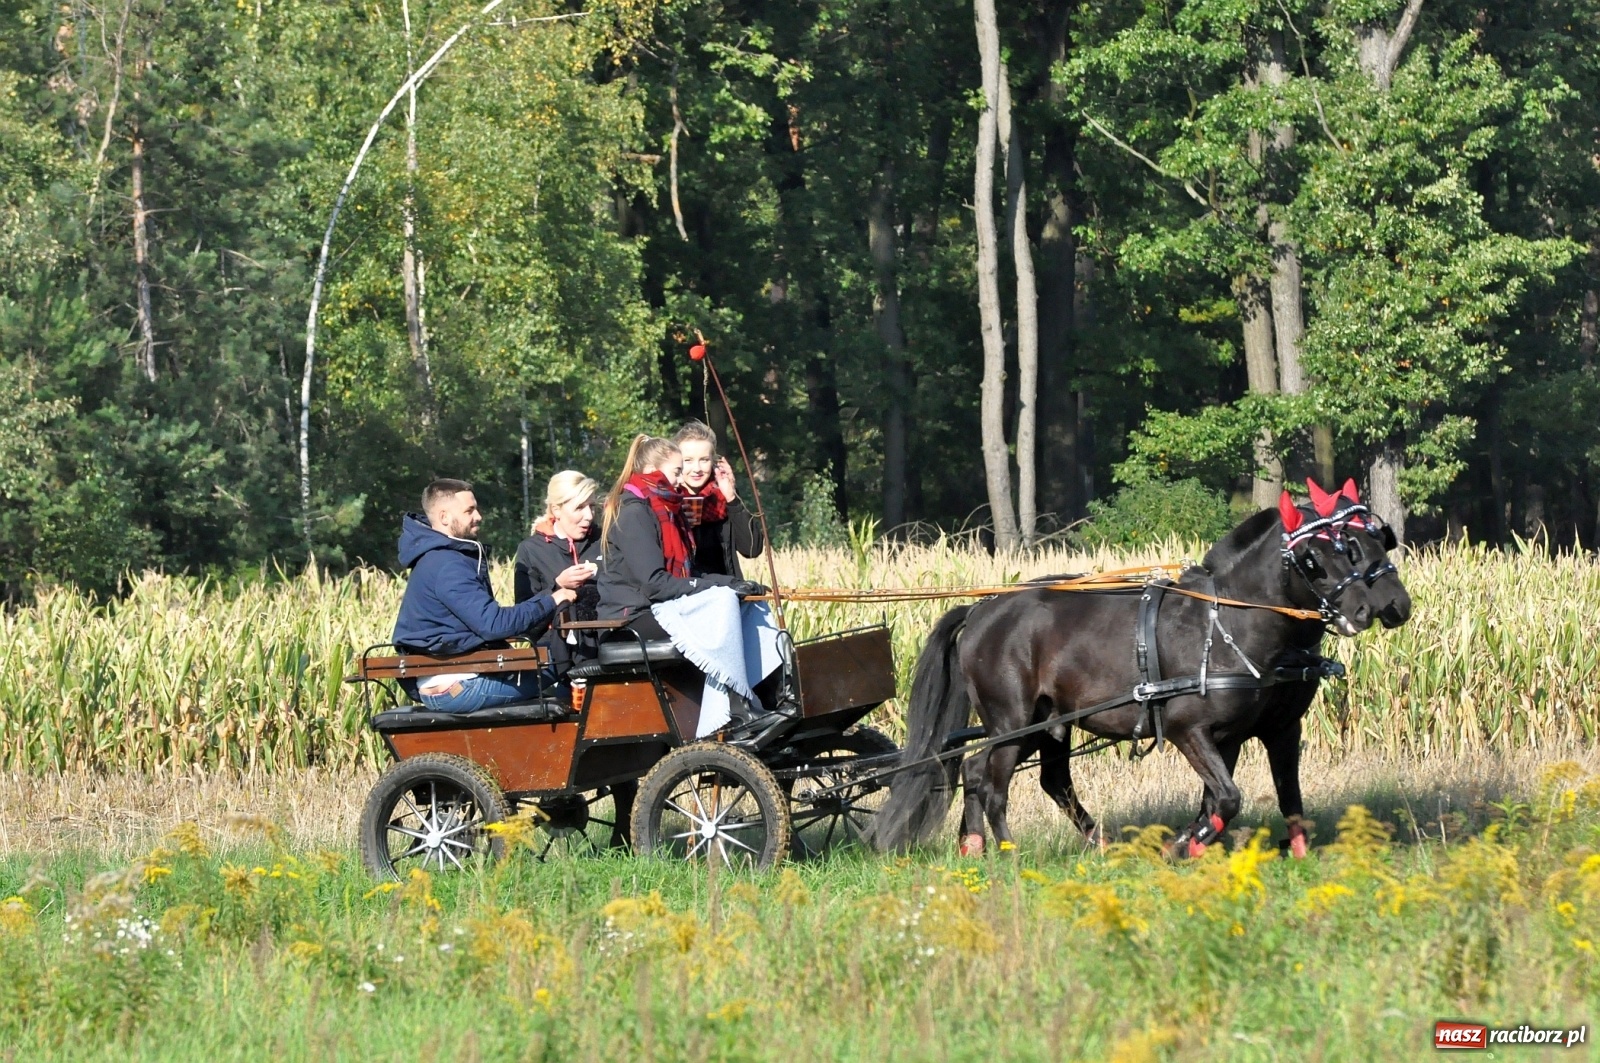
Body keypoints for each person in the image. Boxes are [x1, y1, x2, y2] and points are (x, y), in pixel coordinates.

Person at [392, 478, 577, 713]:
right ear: (444, 517)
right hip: (458, 687)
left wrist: (552, 591)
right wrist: (553, 599)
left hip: (456, 677)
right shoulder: (447, 564)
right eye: (469, 510)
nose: (478, 516)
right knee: (559, 662)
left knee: (551, 667)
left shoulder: (439, 558)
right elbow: (494, 625)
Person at [596, 435, 764, 639]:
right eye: (679, 470)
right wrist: (715, 588)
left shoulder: (668, 510)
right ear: (651, 471)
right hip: (632, 614)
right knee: (720, 623)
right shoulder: (635, 512)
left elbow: (749, 549)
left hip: (666, 603)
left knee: (751, 613)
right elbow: (654, 583)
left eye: (704, 460)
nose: (682, 478)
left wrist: (730, 583)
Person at [514, 470, 602, 665]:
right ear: (556, 510)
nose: (589, 516)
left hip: (605, 647)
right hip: (553, 657)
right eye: (579, 507)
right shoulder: (530, 550)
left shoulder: (605, 541)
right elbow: (524, 623)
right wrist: (557, 588)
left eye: (592, 507)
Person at [672, 420, 765, 579]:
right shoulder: (667, 500)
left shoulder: (723, 497)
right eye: (688, 460)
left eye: (704, 460)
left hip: (727, 588)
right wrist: (678, 521)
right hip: (685, 592)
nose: (697, 469)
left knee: (760, 604)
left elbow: (751, 549)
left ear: (714, 462)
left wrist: (732, 498)